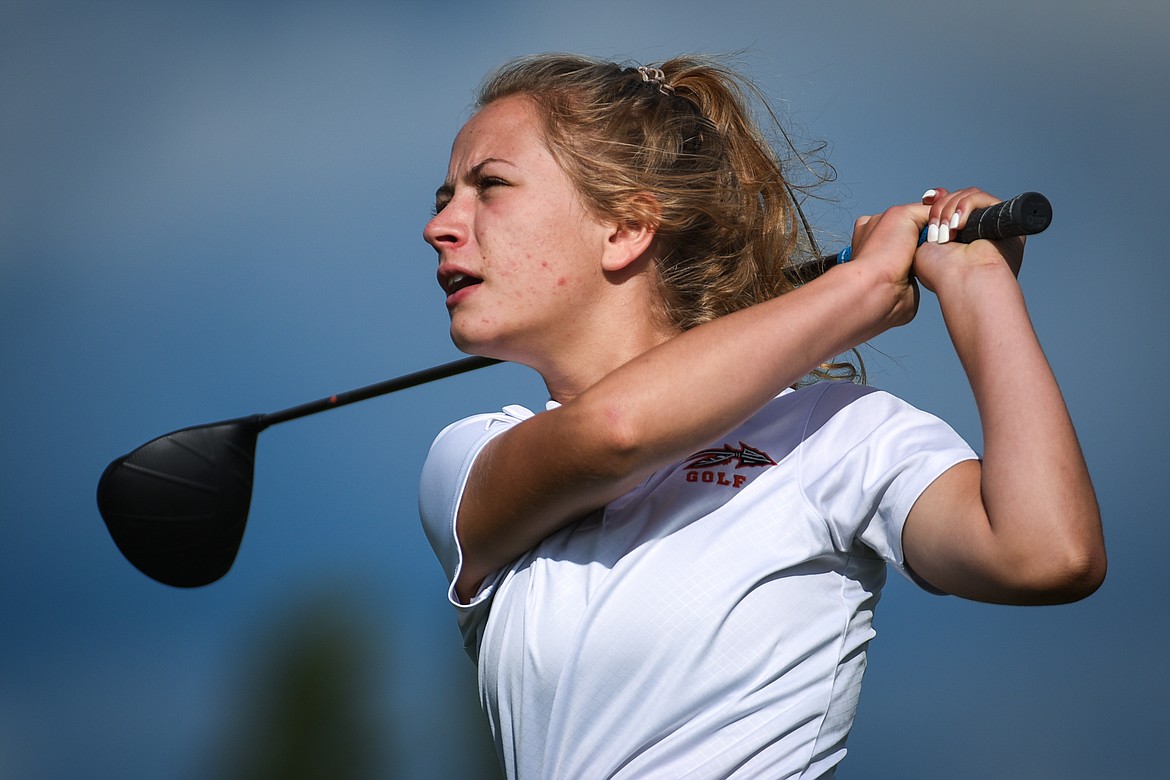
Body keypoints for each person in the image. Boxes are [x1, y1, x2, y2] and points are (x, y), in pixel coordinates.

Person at [417, 53, 1105, 779]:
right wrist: (859, 290)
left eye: (489, 186)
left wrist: (979, 285)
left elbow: (1048, 555)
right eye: (445, 195)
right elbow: (615, 431)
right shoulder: (468, 457)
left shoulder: (837, 432)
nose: (439, 225)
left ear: (624, 226)